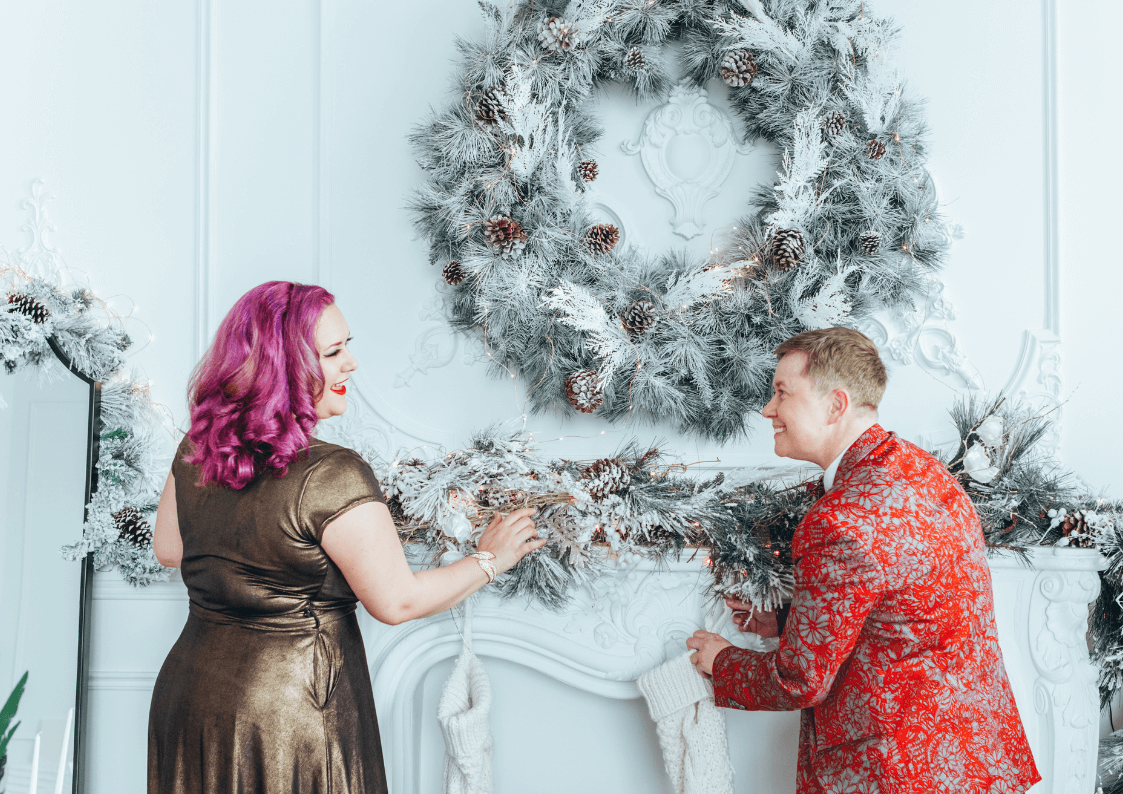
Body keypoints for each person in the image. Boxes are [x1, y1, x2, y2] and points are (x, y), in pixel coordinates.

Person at [148, 281, 543, 794]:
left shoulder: (199, 447)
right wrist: (491, 558)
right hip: (289, 714)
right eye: (334, 352)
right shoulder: (332, 474)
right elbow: (397, 601)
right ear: (285, 369)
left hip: (192, 697)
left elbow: (171, 548)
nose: (351, 364)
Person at [686, 327, 1039, 793]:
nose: (768, 409)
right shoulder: (924, 471)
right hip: (977, 752)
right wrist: (789, 622)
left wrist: (723, 661)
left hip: (897, 770)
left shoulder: (839, 520)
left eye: (781, 393)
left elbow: (798, 682)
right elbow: (906, 610)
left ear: (836, 405)